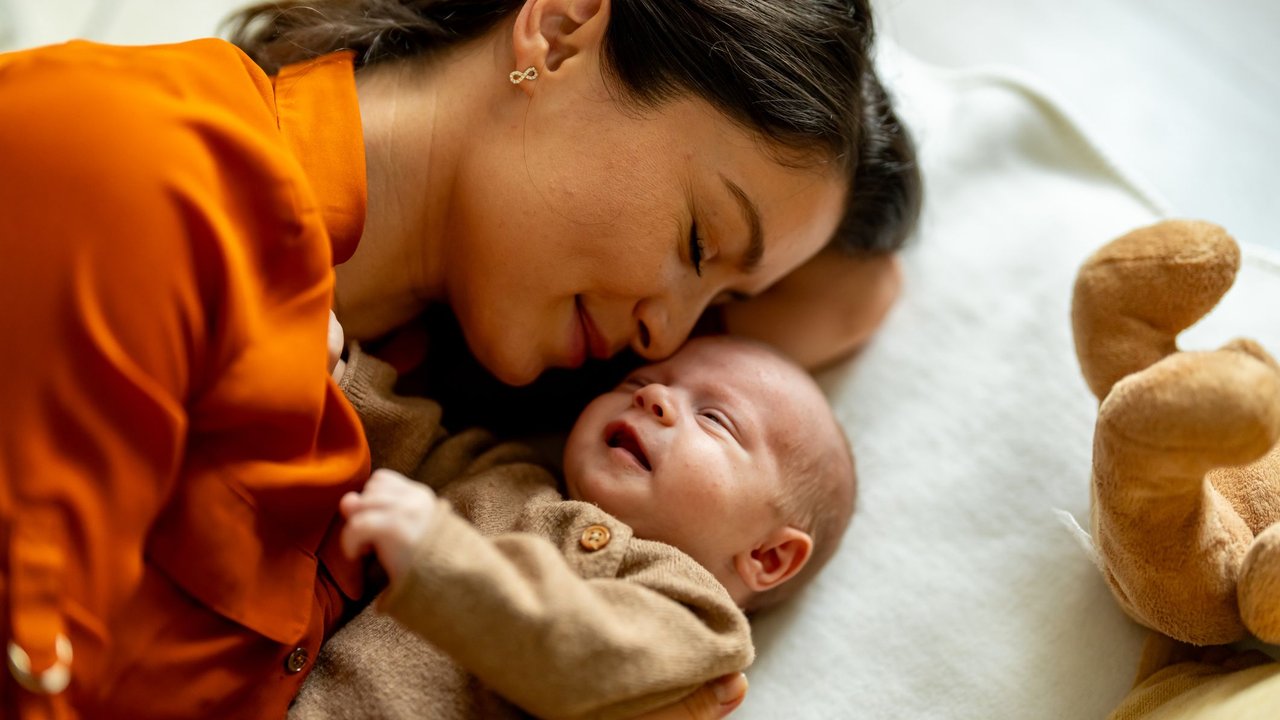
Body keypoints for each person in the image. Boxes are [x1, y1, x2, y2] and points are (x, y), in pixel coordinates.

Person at [0, 0, 920, 717]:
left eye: (723, 305)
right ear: (559, 33)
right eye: (694, 239)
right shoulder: (140, 175)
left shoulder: (430, 406)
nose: (669, 344)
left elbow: (860, 291)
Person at [289, 335, 855, 719]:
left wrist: (438, 559)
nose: (654, 398)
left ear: (768, 557)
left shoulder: (696, 621)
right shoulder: (511, 475)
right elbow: (419, 442)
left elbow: (585, 652)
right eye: (638, 381)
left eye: (714, 419)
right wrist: (344, 379)